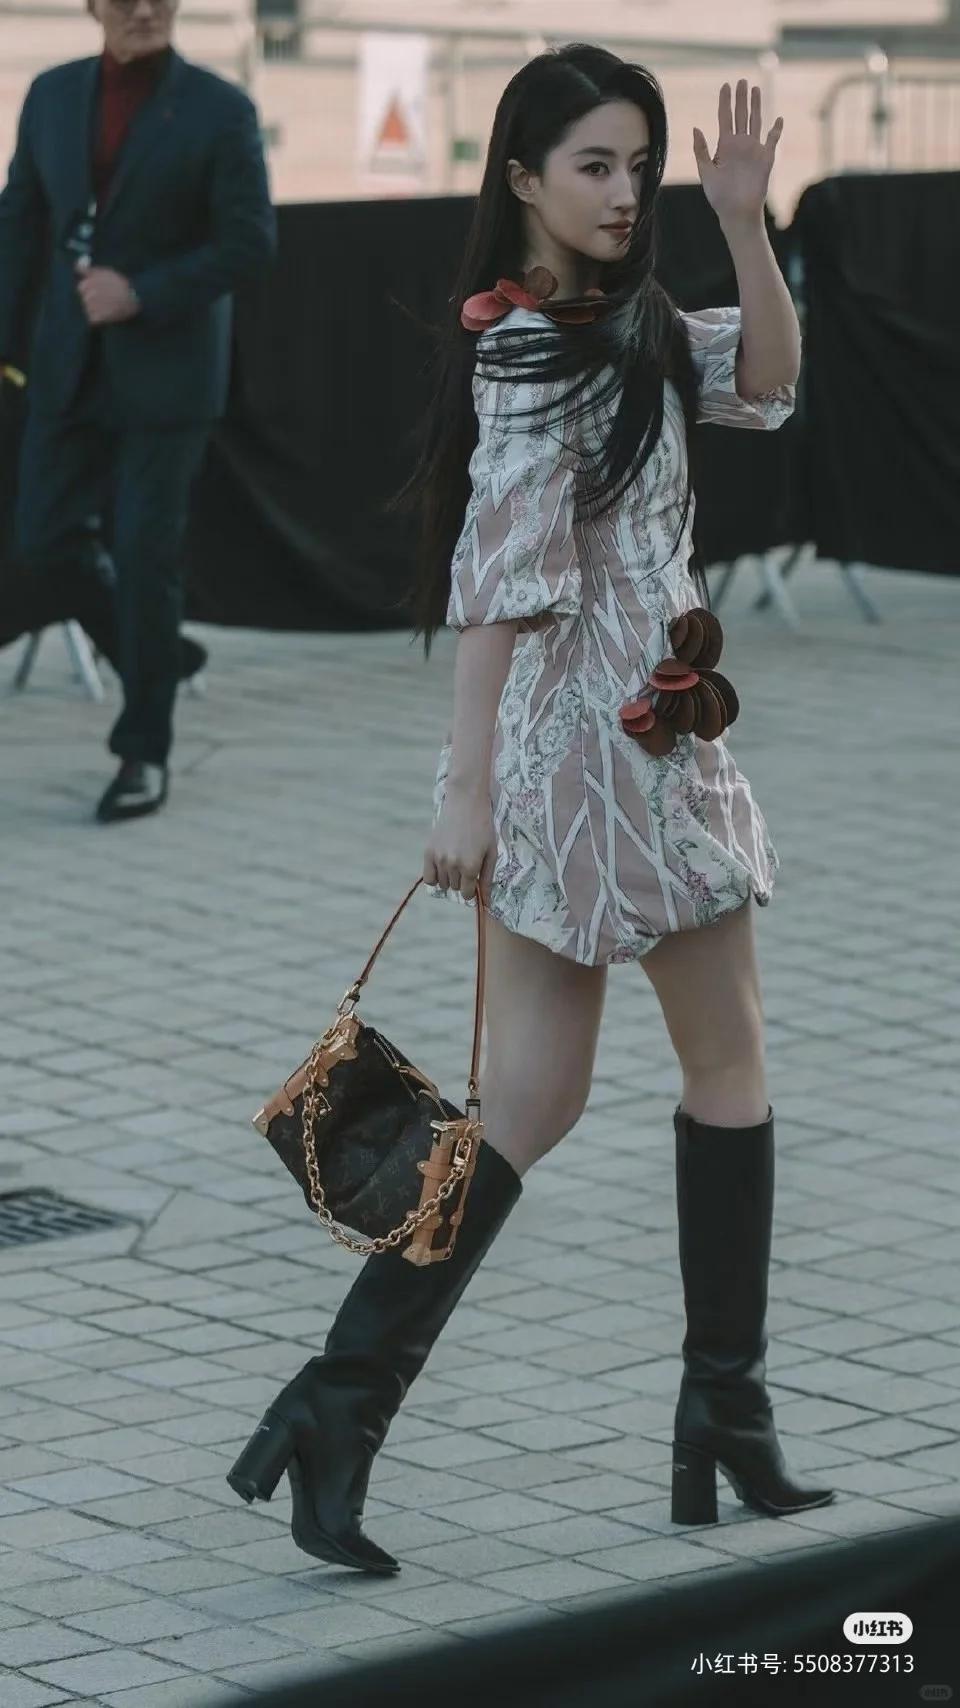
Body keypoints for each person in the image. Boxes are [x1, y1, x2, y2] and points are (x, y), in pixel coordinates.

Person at [226, 44, 835, 1575]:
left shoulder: (617, 325)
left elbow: (769, 384)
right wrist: (463, 791)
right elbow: (495, 586)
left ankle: (338, 1408)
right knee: (728, 1065)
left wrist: (744, 225)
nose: (625, 195)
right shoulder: (528, 352)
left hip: (599, 752)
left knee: (531, 1103)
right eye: (593, 167)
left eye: (638, 167)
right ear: (521, 179)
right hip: (621, 757)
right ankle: (725, 1410)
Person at [0, 0, 276, 821]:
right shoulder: (51, 95)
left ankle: (142, 751)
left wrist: (143, 292)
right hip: (67, 364)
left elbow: (251, 242)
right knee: (43, 540)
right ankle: (155, 655)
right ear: (94, 6)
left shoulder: (222, 109)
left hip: (169, 372)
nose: (146, 9)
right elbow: (20, 225)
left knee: (146, 556)